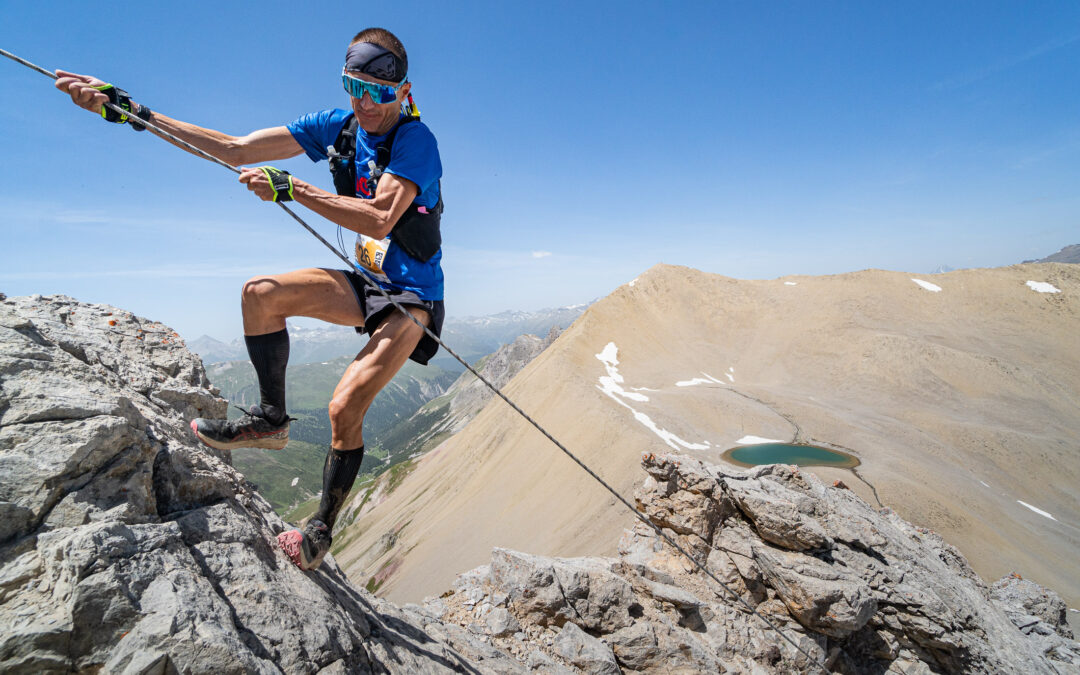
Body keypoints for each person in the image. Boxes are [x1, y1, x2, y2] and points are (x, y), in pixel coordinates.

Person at [55, 27, 444, 571]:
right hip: (365, 283)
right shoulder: (338, 128)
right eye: (354, 87)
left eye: (380, 93)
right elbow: (233, 148)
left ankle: (320, 529)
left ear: (403, 92)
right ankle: (270, 420)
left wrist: (295, 188)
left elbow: (381, 216)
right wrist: (131, 110)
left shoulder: (415, 142)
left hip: (411, 296)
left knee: (342, 407)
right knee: (259, 295)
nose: (366, 103)